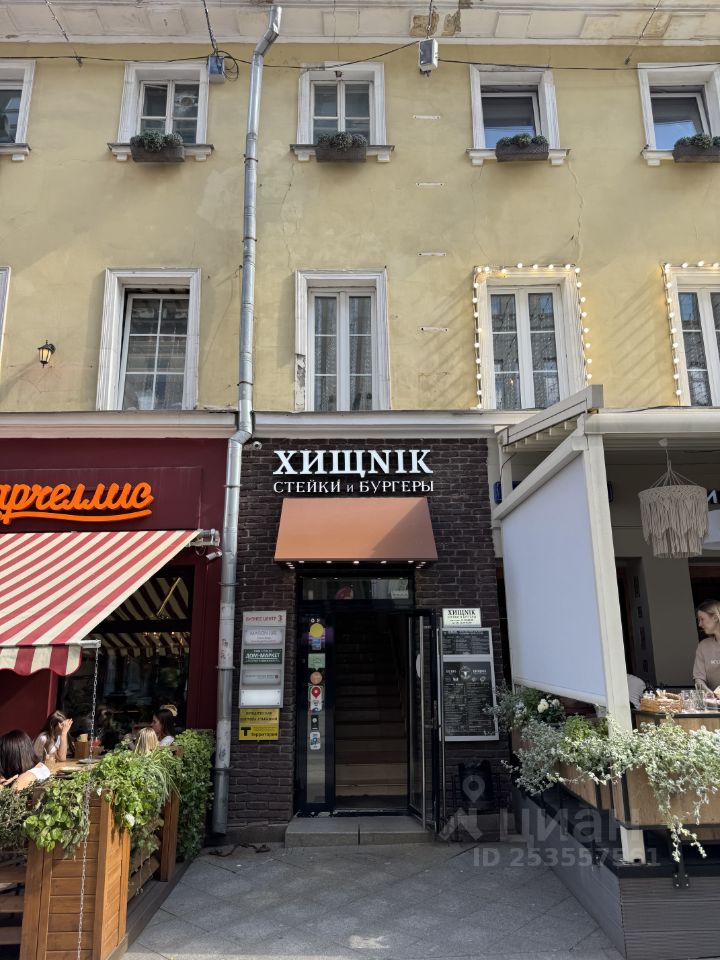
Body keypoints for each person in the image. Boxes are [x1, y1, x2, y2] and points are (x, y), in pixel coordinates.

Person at [693, 600, 720, 696]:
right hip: (714, 702)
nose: (699, 624)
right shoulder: (703, 646)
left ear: (715, 618)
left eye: (702, 619)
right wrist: (707, 692)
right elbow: (698, 678)